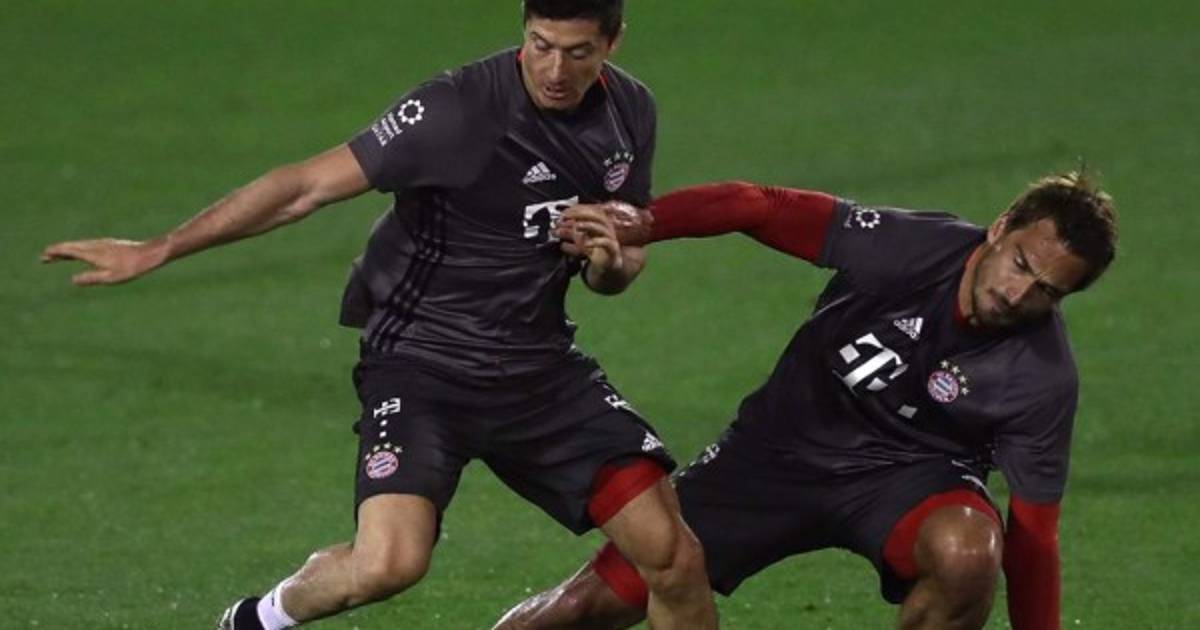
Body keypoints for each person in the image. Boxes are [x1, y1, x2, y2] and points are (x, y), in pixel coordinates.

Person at [40, 2, 719, 629]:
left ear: (612, 43)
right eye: (541, 45)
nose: (555, 70)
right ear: (523, 29)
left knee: (673, 557)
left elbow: (624, 261)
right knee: (388, 565)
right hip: (423, 365)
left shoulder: (630, 112)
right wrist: (161, 247)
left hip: (539, 372)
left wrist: (606, 262)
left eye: (577, 52)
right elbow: (303, 187)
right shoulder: (455, 109)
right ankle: (256, 620)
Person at [496, 172, 1118, 630]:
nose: (1017, 294)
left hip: (907, 479)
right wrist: (647, 223)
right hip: (774, 454)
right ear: (1001, 228)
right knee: (585, 608)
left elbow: (1034, 537)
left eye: (1046, 291)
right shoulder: (906, 248)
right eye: (1019, 265)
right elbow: (759, 205)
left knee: (968, 553)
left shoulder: (1042, 378)